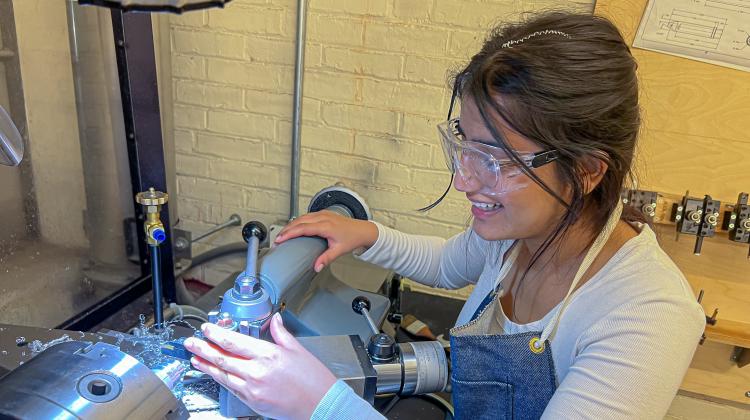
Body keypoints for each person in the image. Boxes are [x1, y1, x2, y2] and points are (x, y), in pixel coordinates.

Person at [183, 11, 705, 419]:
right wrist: (366, 233)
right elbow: (449, 264)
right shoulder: (521, 231)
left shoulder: (647, 318)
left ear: (588, 170)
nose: (465, 180)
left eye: (497, 161)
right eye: (464, 145)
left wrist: (317, 405)